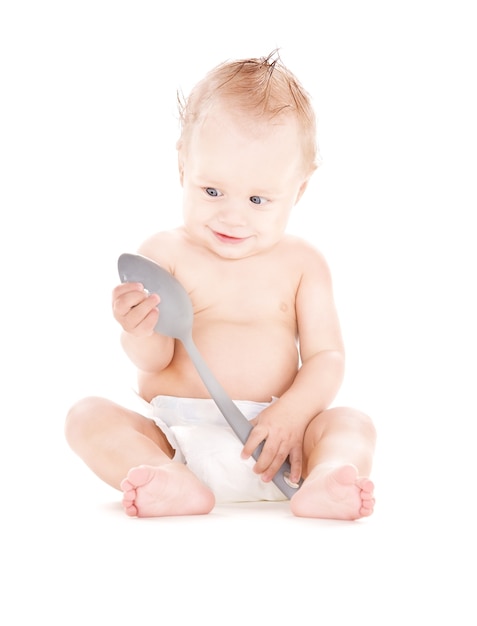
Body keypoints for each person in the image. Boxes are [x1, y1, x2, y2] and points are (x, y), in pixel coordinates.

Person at [65, 51, 376, 520]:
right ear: (183, 167)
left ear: (299, 191)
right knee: (85, 416)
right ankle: (162, 478)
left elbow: (325, 358)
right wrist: (137, 328)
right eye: (212, 191)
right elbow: (154, 359)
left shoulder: (302, 264)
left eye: (257, 199)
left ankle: (328, 476)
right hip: (177, 443)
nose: (232, 215)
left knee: (352, 423)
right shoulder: (165, 253)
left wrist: (293, 413)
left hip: (278, 446)